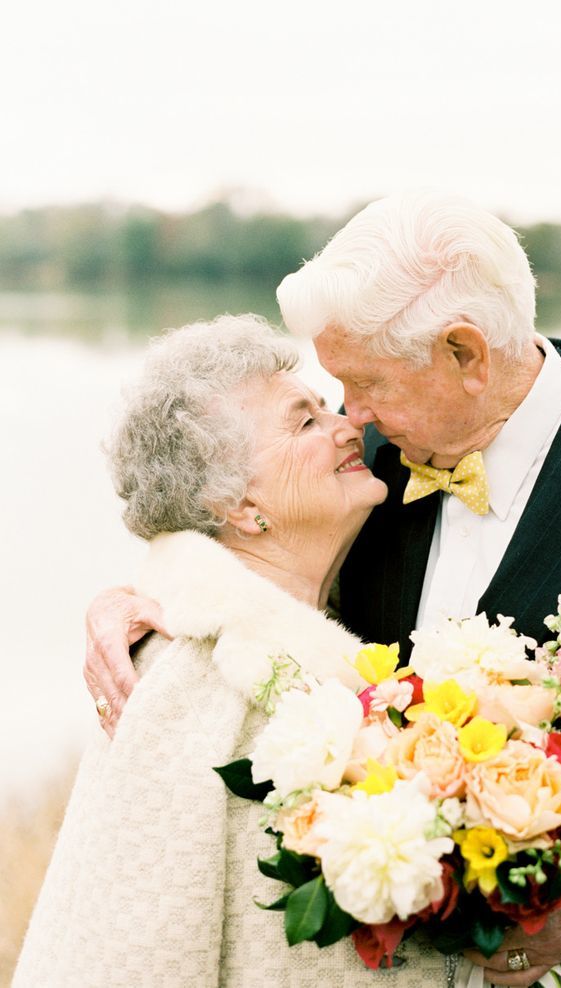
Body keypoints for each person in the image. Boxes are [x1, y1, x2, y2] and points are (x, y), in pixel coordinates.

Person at [84, 193, 561, 988]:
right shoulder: (363, 467)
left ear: (465, 354)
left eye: (362, 383)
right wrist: (147, 601)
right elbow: (248, 547)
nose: (346, 414)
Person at [14, 314, 446, 988]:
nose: (345, 426)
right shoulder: (185, 679)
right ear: (238, 505)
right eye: (304, 422)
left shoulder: (334, 613)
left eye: (326, 409)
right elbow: (129, 949)